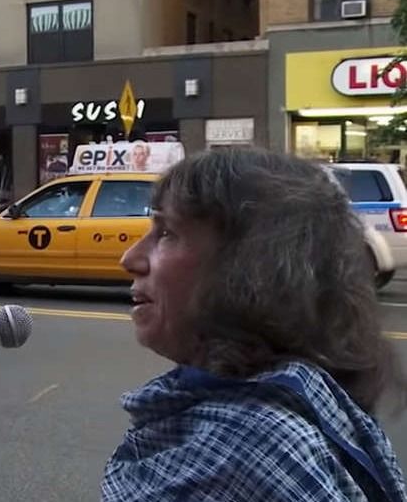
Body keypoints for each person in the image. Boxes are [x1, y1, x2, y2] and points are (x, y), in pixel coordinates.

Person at [102, 147, 407, 501]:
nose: (130, 258)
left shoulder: (241, 454)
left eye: (167, 232)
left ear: (250, 268)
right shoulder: (305, 403)